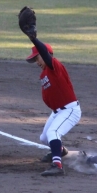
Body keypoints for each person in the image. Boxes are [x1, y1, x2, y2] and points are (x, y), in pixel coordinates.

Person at [22, 24, 81, 177]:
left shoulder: (55, 66)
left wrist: (33, 39)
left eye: (37, 57)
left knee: (53, 132)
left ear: (45, 54)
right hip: (57, 112)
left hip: (70, 110)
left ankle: (57, 165)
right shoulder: (44, 73)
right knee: (44, 138)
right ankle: (60, 151)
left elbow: (46, 55)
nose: (36, 61)